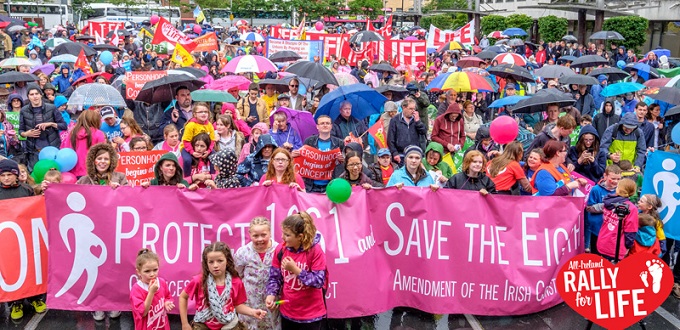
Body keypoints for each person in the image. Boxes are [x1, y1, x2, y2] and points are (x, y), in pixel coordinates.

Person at [179, 242, 267, 330]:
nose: (215, 265)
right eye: (211, 262)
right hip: (202, 326)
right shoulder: (199, 281)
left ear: (227, 261)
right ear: (206, 263)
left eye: (220, 261)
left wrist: (253, 312)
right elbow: (183, 297)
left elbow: (237, 305)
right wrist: (185, 324)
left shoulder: (236, 282)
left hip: (229, 326)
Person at [0, 159, 45, 321]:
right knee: (12, 270)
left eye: (9, 175)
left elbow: (35, 209)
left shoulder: (26, 190)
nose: (6, 178)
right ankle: (15, 302)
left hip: (26, 238)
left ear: (17, 175)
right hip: (6, 241)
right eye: (3, 175)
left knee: (30, 268)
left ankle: (35, 298)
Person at [266, 212, 327, 330]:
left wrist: (296, 270)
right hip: (288, 314)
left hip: (311, 316)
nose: (283, 237)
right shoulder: (280, 249)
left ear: (300, 236)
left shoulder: (315, 250)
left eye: (287, 235)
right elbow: (275, 277)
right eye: (283, 233)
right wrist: (271, 294)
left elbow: (319, 281)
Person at [234, 217, 280, 330]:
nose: (260, 239)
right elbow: (237, 276)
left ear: (270, 232)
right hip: (249, 305)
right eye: (255, 236)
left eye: (264, 235)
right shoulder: (243, 253)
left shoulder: (279, 250)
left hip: (271, 304)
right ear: (250, 234)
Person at [19, 85, 67, 170]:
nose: (35, 96)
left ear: (41, 94)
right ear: (28, 97)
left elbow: (64, 126)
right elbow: (21, 131)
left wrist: (51, 124)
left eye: (36, 94)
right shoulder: (23, 110)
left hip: (51, 148)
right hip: (33, 150)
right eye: (32, 94)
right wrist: (26, 133)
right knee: (36, 175)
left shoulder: (52, 108)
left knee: (53, 175)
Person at [130, 249, 174, 330]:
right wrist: (151, 292)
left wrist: (166, 303)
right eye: (147, 271)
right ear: (138, 272)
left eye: (155, 270)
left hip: (162, 326)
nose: (152, 274)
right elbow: (143, 312)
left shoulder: (162, 282)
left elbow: (167, 296)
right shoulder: (136, 289)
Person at [297, 115, 344, 193]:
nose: (325, 125)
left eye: (327, 123)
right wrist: (296, 155)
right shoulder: (309, 141)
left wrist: (343, 159)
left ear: (331, 126)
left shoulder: (339, 143)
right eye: (322, 123)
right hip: (311, 186)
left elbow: (345, 164)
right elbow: (303, 162)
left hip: (331, 185)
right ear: (317, 126)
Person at [597, 178, 639, 261]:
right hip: (616, 248)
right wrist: (628, 246)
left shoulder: (608, 202)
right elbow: (630, 231)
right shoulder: (631, 208)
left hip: (603, 242)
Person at [585, 165, 622, 253]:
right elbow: (589, 208)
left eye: (618, 179)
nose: (615, 181)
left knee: (609, 254)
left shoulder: (620, 190)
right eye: (613, 178)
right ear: (605, 176)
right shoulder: (596, 189)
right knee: (596, 253)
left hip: (612, 229)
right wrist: (608, 205)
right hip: (597, 228)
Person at [61, 109, 106, 177]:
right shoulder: (98, 134)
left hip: (73, 172)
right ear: (95, 120)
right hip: (92, 171)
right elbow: (102, 153)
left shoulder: (72, 133)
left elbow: (65, 150)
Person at [387, 98, 427, 164]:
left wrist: (418, 122)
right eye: (410, 109)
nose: (413, 111)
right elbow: (390, 139)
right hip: (400, 155)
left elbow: (423, 132)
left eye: (414, 109)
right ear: (404, 107)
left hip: (415, 154)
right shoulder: (395, 120)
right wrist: (394, 153)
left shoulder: (416, 119)